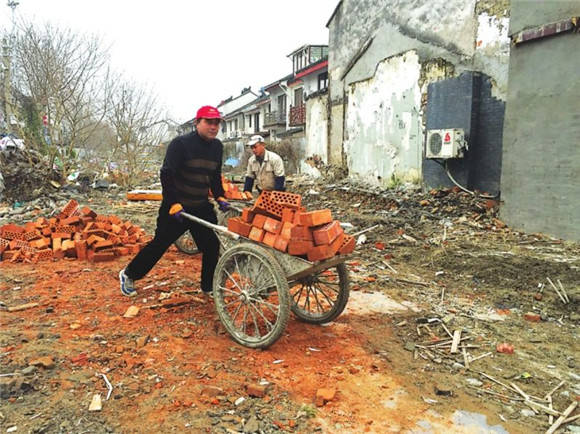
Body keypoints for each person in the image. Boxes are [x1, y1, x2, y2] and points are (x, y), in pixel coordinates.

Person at [119, 105, 230, 297]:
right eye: (208, 122)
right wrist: (173, 202)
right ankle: (129, 274)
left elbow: (214, 175)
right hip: (177, 207)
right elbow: (167, 174)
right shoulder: (181, 144)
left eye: (216, 123)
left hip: (201, 205)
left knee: (211, 245)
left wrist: (219, 196)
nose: (213, 127)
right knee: (160, 243)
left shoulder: (217, 147)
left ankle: (208, 286)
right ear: (197, 123)